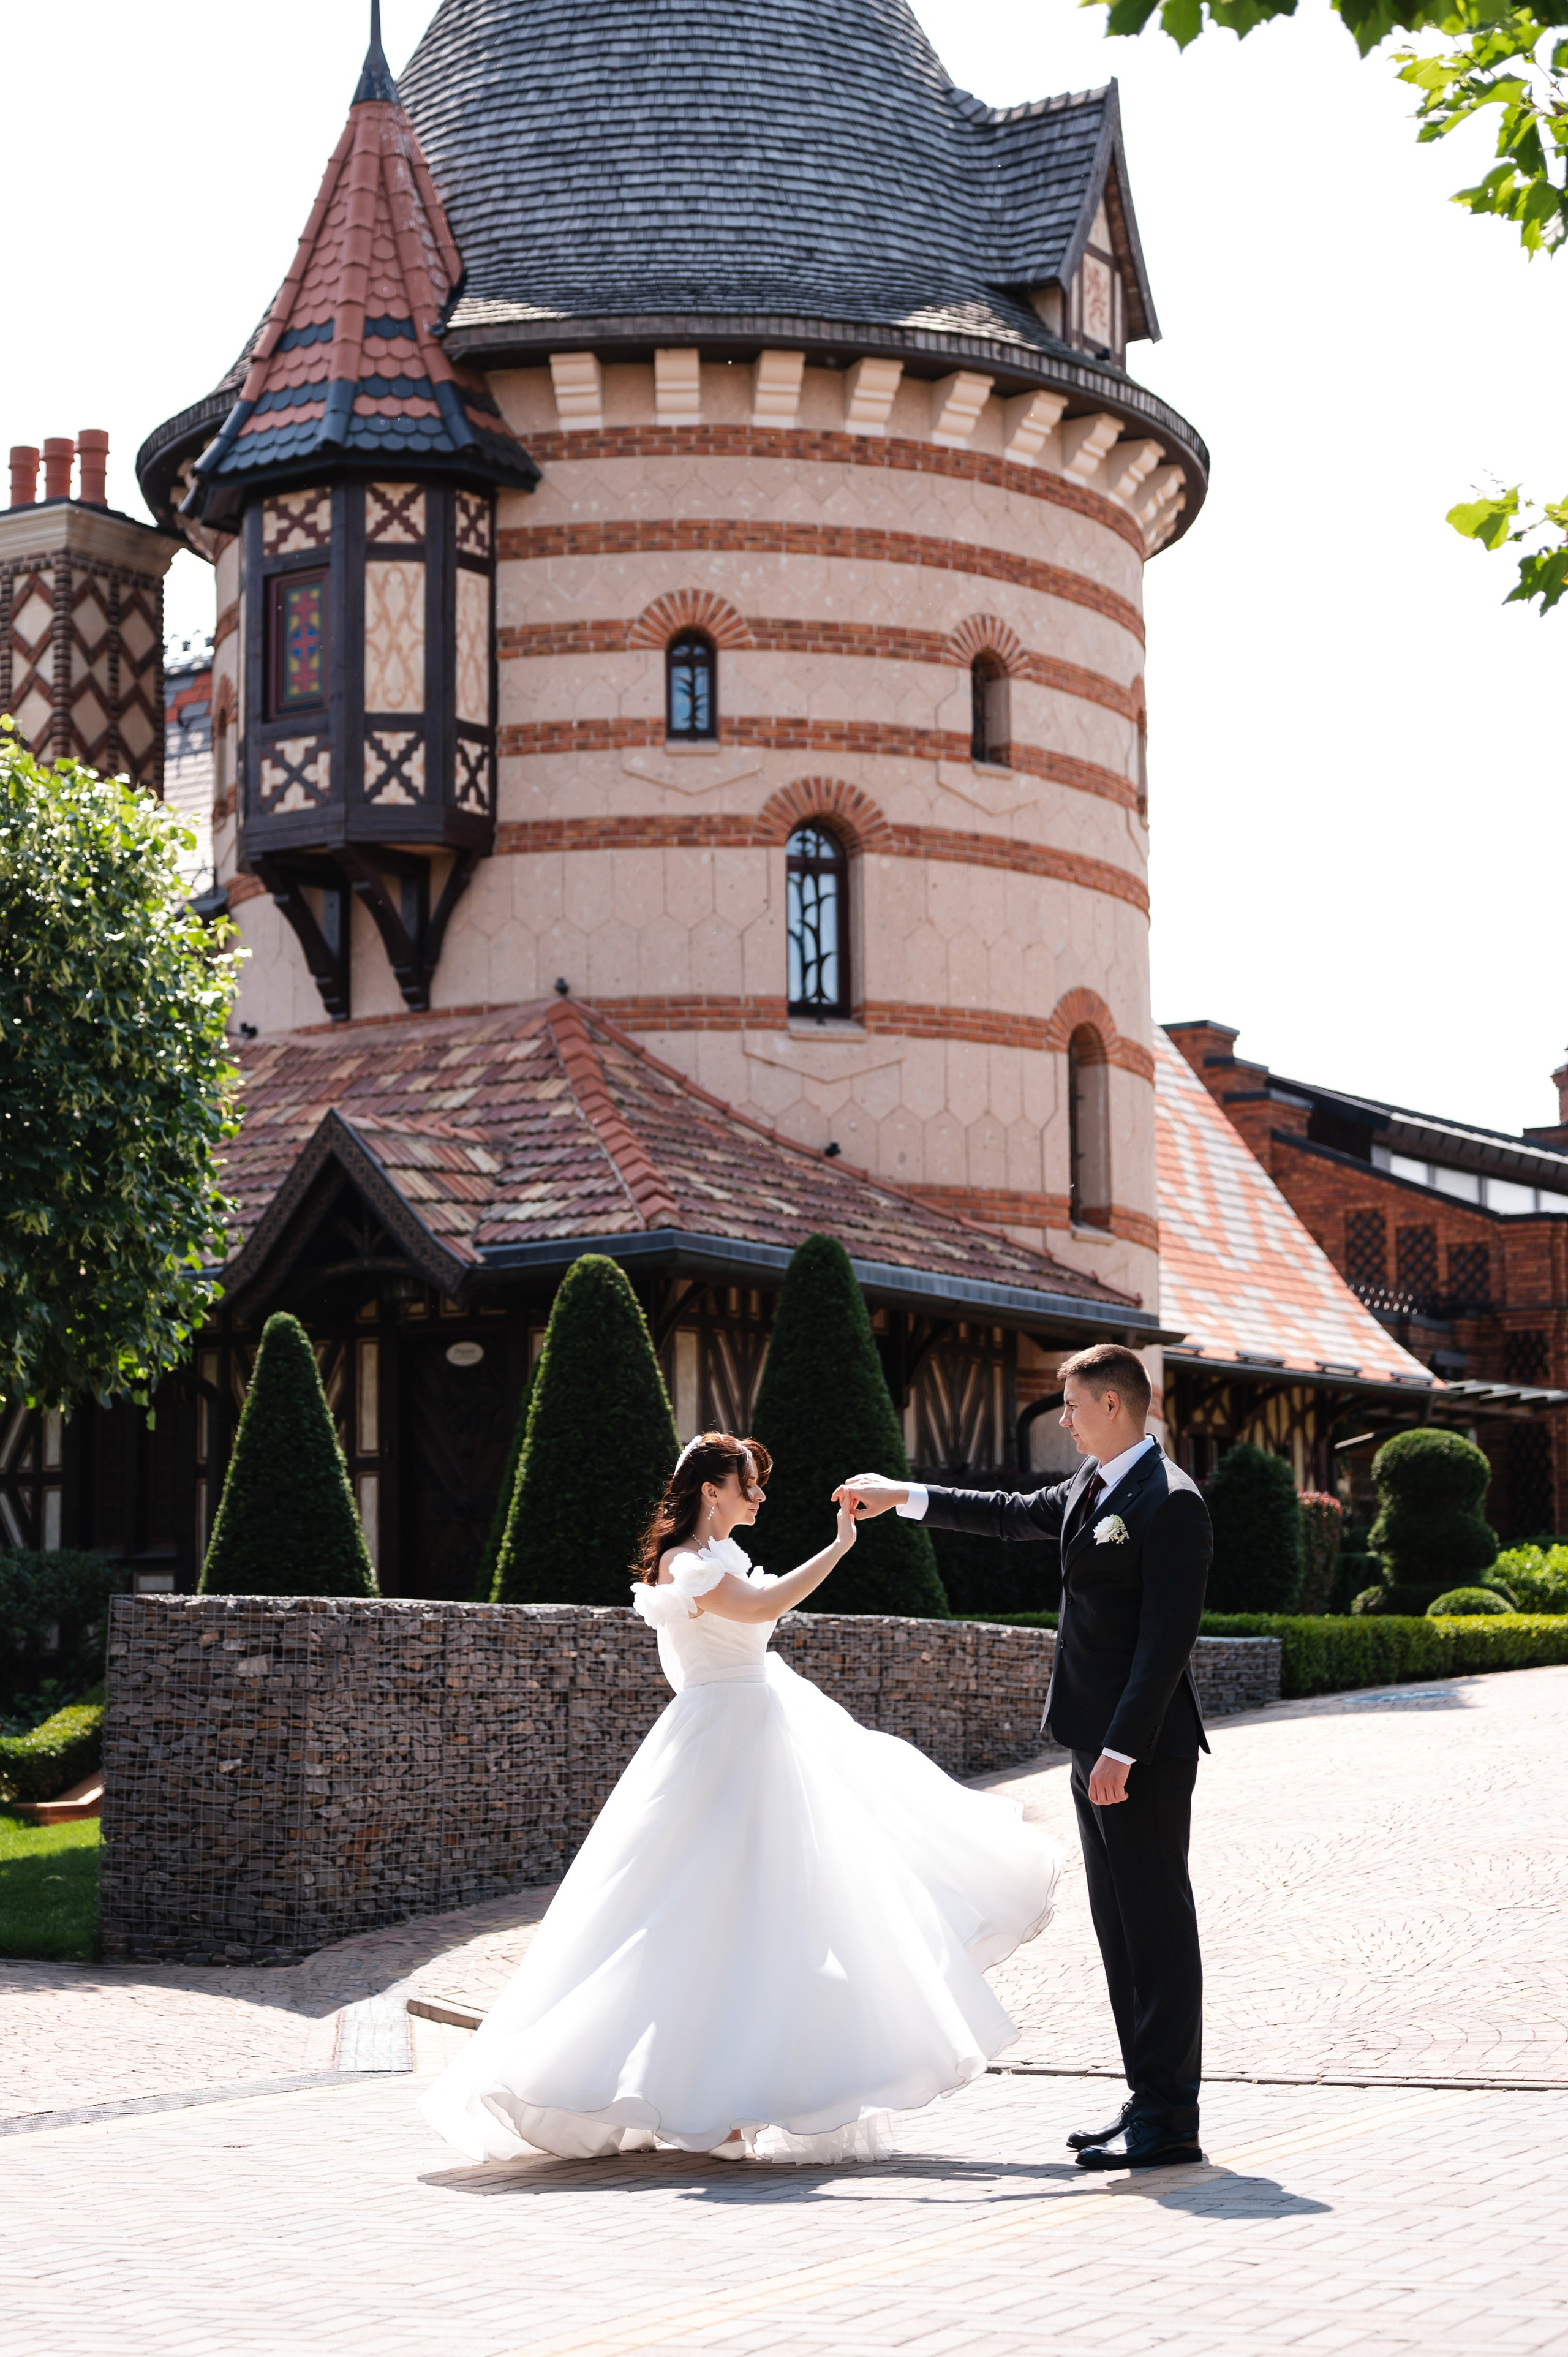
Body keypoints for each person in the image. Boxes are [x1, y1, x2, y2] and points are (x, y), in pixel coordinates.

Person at [420, 1430, 1059, 2166]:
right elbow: (760, 1609)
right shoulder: (687, 1562)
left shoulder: (714, 1558)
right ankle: (683, 2097)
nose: (759, 1496)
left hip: (757, 1728)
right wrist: (841, 1543)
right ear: (710, 1491)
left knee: (766, 1914)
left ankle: (731, 2099)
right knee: (694, 1911)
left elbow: (747, 1617)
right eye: (748, 1484)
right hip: (721, 1741)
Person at [837, 1341, 1213, 2171]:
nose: (1065, 1417)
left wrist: (1121, 1749)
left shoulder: (1170, 1501)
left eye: (1072, 1404)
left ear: (1113, 1406)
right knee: (1120, 1932)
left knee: (1156, 1929)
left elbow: (1165, 1644)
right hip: (1094, 1744)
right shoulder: (1093, 1486)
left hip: (1137, 1753)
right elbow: (1009, 1512)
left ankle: (1172, 2119)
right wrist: (903, 1495)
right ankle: (1147, 2102)